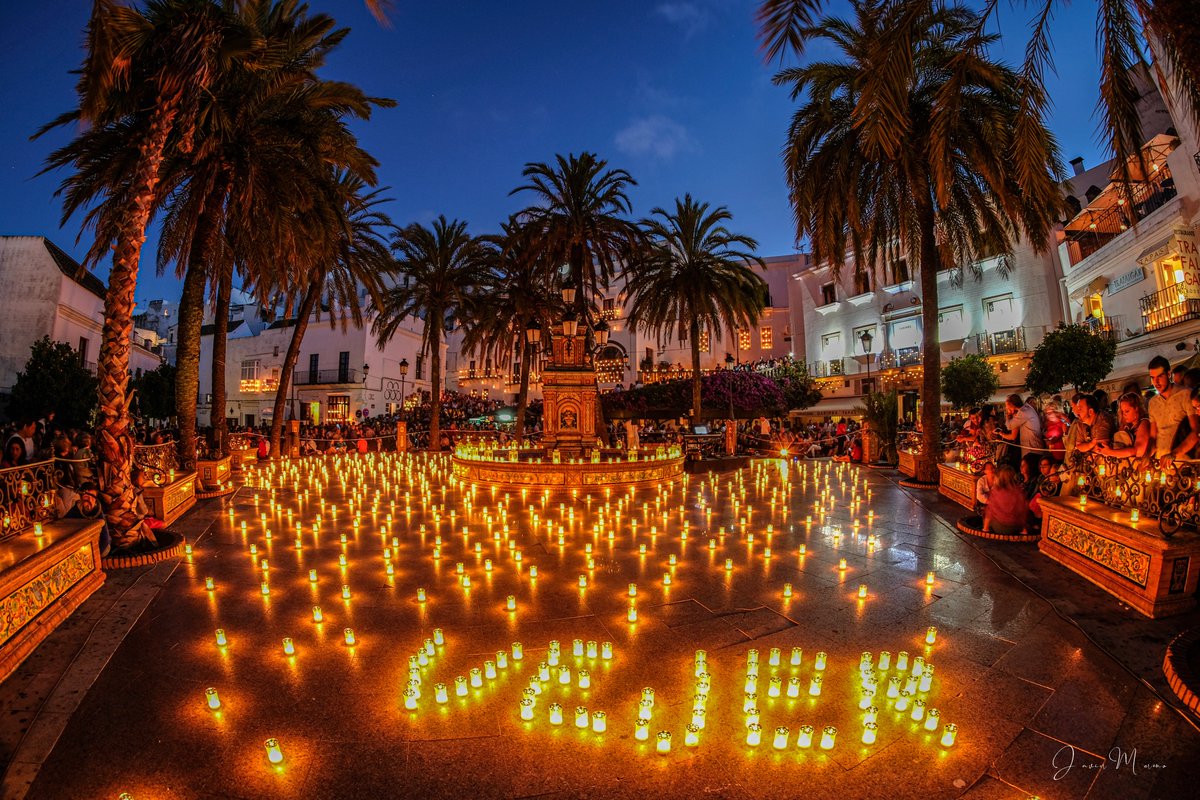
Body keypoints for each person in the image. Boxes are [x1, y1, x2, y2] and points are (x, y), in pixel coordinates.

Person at [1147, 355, 1192, 460]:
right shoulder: (1153, 403)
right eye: (1153, 378)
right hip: (1161, 462)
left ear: (1168, 374)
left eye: (1159, 377)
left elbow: (1196, 431)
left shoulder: (1185, 394)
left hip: (1183, 462)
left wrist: (1174, 454)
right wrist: (1147, 455)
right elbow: (1153, 437)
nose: (1156, 382)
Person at [1096, 392, 1153, 460]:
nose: (1124, 415)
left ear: (1136, 408)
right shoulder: (1127, 426)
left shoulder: (1144, 423)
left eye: (1127, 411)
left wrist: (1110, 452)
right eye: (1122, 411)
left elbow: (1138, 451)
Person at [60, 482, 111, 556]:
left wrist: (96, 554)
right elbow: (65, 523)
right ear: (81, 498)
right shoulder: (76, 510)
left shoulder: (98, 512)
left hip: (99, 546)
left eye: (92, 496)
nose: (89, 500)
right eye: (86, 497)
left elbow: (105, 538)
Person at [996, 394, 1044, 467]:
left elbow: (1009, 426)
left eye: (1007, 406)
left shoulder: (1024, 412)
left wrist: (1007, 415)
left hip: (1032, 447)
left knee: (1030, 468)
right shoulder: (1026, 408)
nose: (1006, 408)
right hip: (1031, 446)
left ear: (1012, 405)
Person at [983, 464, 1027, 536]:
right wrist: (1023, 528)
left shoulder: (996, 491)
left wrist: (985, 528)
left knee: (985, 516)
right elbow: (1022, 511)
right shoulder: (1018, 491)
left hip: (1000, 527)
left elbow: (990, 510)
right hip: (1015, 527)